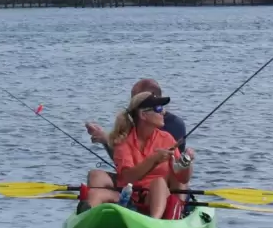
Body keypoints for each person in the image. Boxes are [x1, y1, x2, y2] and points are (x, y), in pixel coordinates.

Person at [79, 78, 190, 214]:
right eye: (158, 108)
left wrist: (187, 162)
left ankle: (158, 222)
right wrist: (154, 159)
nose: (162, 112)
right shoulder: (124, 140)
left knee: (159, 183)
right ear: (143, 115)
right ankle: (88, 218)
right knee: (95, 192)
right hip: (129, 195)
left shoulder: (167, 138)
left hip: (156, 194)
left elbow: (182, 179)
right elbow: (127, 177)